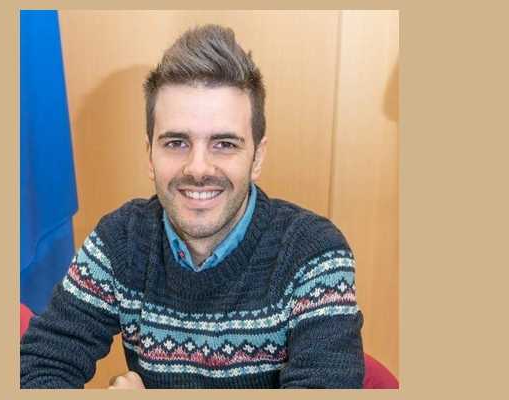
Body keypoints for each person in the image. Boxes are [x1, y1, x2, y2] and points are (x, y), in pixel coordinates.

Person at [20, 24, 364, 389]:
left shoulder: (313, 254)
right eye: (176, 143)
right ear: (150, 154)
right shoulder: (120, 241)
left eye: (224, 144)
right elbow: (37, 368)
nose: (198, 169)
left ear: (257, 157)